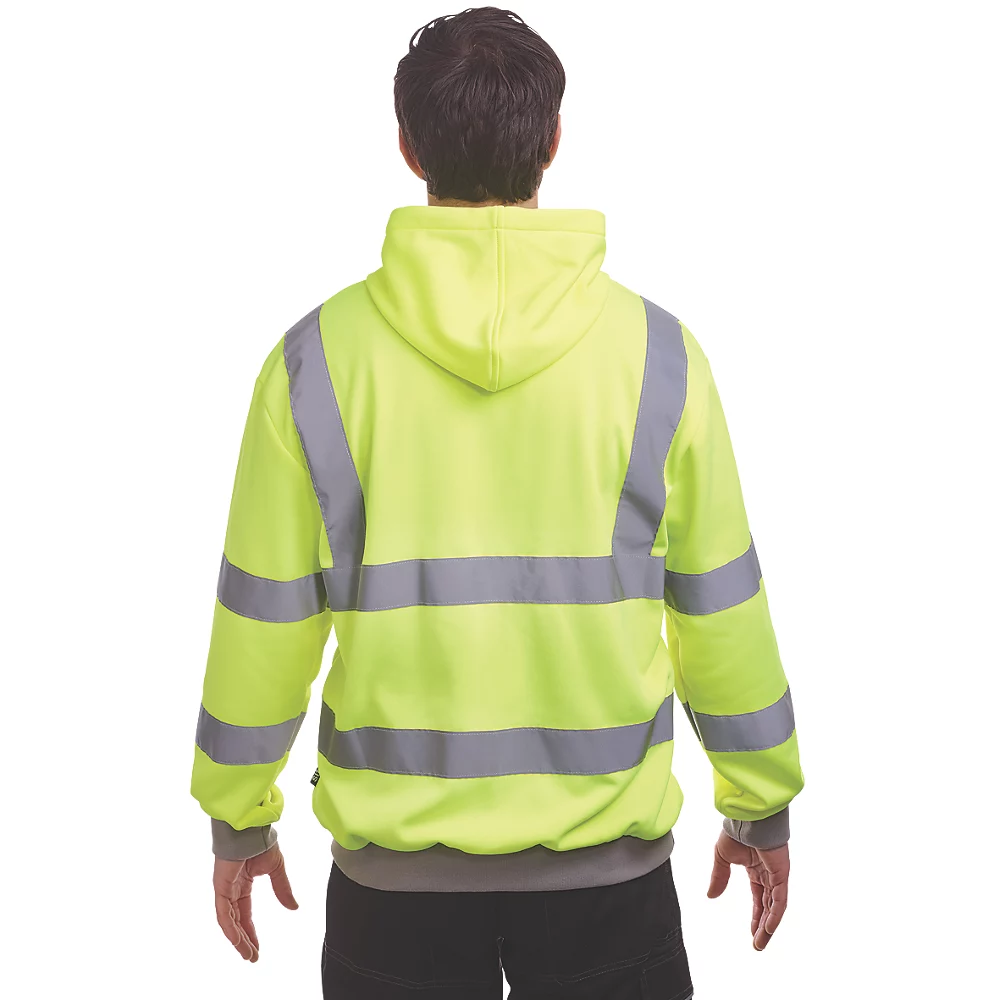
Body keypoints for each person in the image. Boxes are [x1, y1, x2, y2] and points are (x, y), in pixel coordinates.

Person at [190, 7, 804, 997]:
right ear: (553, 140)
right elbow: (720, 607)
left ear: (407, 147)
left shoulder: (315, 362)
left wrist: (238, 815)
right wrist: (760, 803)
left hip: (393, 892)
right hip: (609, 876)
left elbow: (264, 618)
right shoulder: (658, 357)